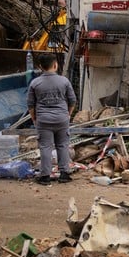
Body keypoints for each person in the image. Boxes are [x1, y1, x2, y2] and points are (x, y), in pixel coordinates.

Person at [27, 53, 77, 185]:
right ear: (55, 65)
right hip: (62, 118)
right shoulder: (64, 81)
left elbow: (30, 105)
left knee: (45, 147)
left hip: (43, 119)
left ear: (40, 67)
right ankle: (64, 174)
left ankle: (45, 177)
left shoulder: (35, 83)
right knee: (63, 145)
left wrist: (34, 119)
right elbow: (72, 100)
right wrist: (68, 114)